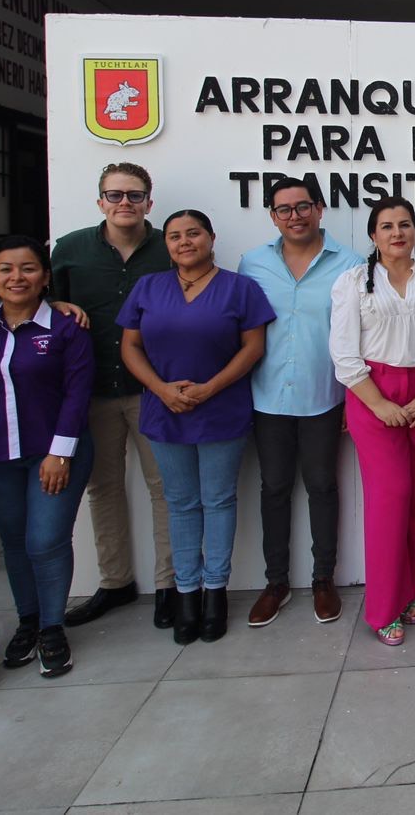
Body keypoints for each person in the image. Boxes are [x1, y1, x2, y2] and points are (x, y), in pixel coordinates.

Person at [118, 209, 273, 644]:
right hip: (163, 411)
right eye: (174, 236)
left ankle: (215, 592)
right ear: (166, 244)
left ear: (211, 237)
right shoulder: (148, 287)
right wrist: (161, 389)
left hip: (221, 410)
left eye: (193, 233)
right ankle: (185, 592)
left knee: (219, 499)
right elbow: (130, 346)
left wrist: (210, 388)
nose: (185, 242)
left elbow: (253, 346)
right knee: (181, 503)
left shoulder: (239, 288)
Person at [329, 197, 415, 646]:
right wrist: (379, 405)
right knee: (391, 499)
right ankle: (383, 609)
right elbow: (344, 356)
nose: (396, 233)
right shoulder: (352, 283)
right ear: (373, 235)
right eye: (386, 226)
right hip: (373, 394)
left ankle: (409, 592)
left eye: (405, 224)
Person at [51, 162, 177, 629]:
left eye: (135, 195)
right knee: (102, 488)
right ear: (100, 200)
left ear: (149, 200)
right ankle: (115, 582)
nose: (125, 203)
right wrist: (56, 304)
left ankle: (171, 584)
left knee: (164, 490)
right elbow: (36, 305)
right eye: (116, 195)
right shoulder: (70, 250)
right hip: (93, 390)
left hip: (153, 389)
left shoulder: (169, 247)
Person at [238, 176, 363, 627]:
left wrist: (354, 398)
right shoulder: (252, 263)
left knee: (322, 487)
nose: (295, 215)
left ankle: (323, 580)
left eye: (303, 206)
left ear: (320, 208)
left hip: (325, 397)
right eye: (284, 209)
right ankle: (276, 583)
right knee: (273, 489)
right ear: (273, 215)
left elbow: (358, 337)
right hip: (266, 397)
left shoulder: (349, 264)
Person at [0, 236, 95, 678]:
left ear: (44, 278)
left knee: (46, 541)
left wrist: (60, 453)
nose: (16, 277)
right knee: (15, 543)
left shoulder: (66, 327)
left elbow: (78, 394)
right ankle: (27, 621)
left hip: (56, 453)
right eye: (5, 269)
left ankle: (52, 627)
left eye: (27, 269)